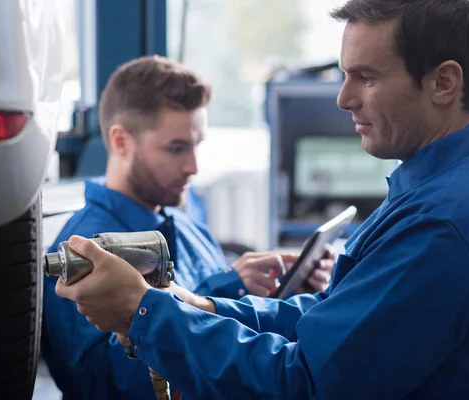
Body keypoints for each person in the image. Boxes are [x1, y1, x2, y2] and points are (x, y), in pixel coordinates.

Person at [55, 0, 469, 399]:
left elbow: (306, 383)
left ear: (444, 83)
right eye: (344, 75)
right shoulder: (456, 193)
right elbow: (333, 325)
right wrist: (202, 305)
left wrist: (145, 314)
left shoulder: (444, 225)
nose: (343, 98)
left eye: (365, 77)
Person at [42, 55, 333, 399]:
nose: (193, 166)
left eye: (197, 146)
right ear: (120, 141)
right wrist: (226, 289)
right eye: (177, 148)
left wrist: (274, 297)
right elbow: (108, 384)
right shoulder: (85, 251)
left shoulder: (186, 225)